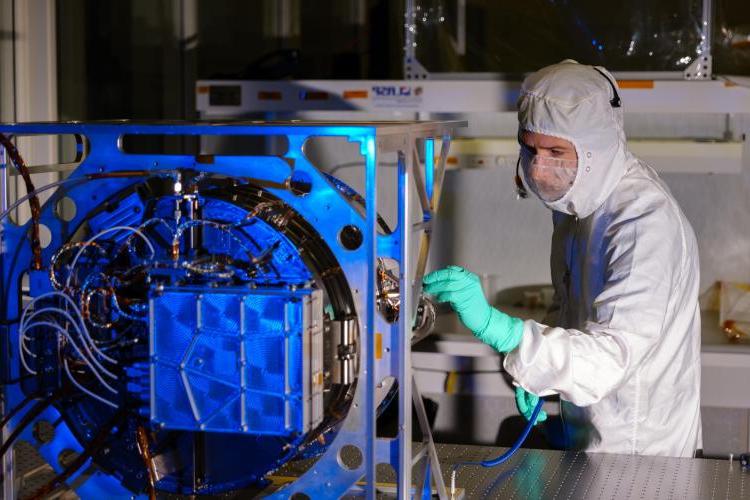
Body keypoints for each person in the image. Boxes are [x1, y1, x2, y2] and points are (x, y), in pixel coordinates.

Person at [423, 60, 701, 457]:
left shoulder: (643, 222)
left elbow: (606, 360)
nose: (539, 167)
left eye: (556, 151)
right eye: (530, 147)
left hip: (638, 451)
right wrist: (536, 378)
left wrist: (501, 330)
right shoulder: (579, 202)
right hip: (589, 426)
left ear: (596, 149)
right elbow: (571, 306)